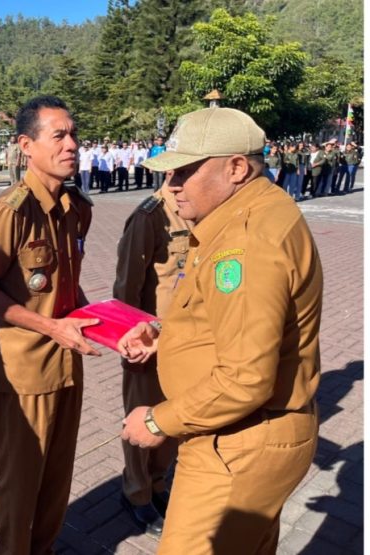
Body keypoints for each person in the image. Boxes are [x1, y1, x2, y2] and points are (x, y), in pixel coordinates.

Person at [119, 107, 322, 554]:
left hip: (237, 445)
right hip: (244, 437)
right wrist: (165, 336)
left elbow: (246, 378)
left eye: (185, 172)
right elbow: (224, 320)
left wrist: (158, 420)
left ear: (235, 168)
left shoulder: (244, 243)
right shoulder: (246, 215)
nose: (171, 186)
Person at [0, 95, 99, 554]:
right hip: (24, 372)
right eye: (58, 136)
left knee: (57, 476)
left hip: (66, 361)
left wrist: (106, 324)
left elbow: (68, 288)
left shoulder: (76, 208)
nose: (72, 145)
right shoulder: (12, 211)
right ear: (27, 145)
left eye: (74, 134)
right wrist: (51, 327)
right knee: (21, 481)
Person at [113, 180, 193, 538]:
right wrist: (126, 341)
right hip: (147, 342)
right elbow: (126, 287)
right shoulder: (148, 217)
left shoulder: (196, 207)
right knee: (140, 418)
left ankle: (158, 484)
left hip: (181, 342)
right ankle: (136, 493)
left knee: (171, 421)